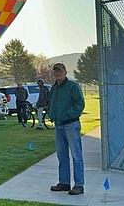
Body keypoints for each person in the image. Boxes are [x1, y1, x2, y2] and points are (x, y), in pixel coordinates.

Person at [48, 63, 86, 195]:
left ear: (65, 72)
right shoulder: (54, 89)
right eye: (55, 71)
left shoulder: (72, 86)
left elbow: (80, 103)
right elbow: (51, 103)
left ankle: (79, 185)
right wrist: (51, 114)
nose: (57, 73)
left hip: (71, 125)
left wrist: (67, 115)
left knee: (76, 155)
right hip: (58, 125)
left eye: (60, 71)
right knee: (62, 155)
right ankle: (64, 183)